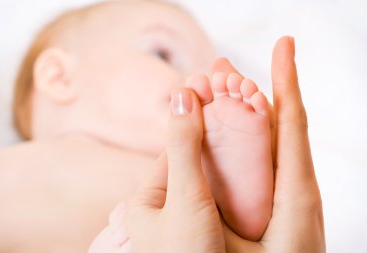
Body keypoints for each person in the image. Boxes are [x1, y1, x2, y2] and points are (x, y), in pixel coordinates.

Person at [0, 1, 276, 251]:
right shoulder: (4, 165)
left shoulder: (183, 180)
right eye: (164, 55)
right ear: (59, 77)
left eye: (206, 74)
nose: (198, 84)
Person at [89, 37, 326, 253]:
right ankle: (229, 204)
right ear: (58, 76)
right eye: (164, 55)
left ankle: (226, 203)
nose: (190, 79)